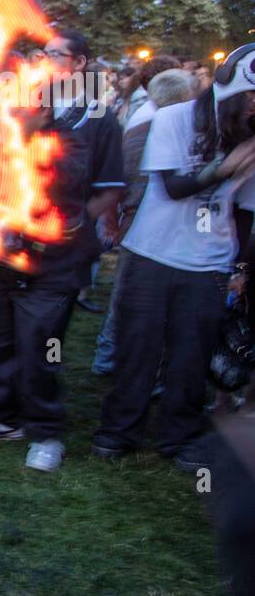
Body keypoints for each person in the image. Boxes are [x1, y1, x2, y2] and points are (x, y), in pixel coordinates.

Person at [0, 30, 124, 472]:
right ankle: (6, 417)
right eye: (43, 53)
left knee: (41, 343)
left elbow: (107, 189)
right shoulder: (21, 112)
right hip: (6, 245)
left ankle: (45, 432)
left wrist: (65, 225)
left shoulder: (98, 119)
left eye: (57, 54)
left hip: (58, 253)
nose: (46, 60)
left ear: (81, 64)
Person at [93, 47, 255, 470]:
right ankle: (118, 431)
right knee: (138, 347)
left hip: (209, 262)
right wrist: (222, 168)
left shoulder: (251, 139)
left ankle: (179, 437)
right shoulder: (173, 118)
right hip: (152, 252)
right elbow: (173, 187)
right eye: (254, 100)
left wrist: (240, 268)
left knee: (191, 356)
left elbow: (245, 212)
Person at [92, 68, 193, 376]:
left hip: (141, 219)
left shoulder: (152, 126)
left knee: (128, 293)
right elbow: (117, 182)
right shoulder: (152, 128)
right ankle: (112, 358)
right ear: (183, 97)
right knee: (131, 292)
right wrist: (113, 221)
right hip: (141, 220)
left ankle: (110, 357)